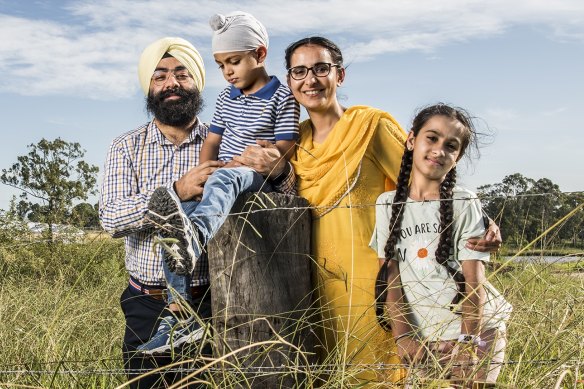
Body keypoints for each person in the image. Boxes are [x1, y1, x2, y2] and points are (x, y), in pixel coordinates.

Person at [285, 37, 502, 386]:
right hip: (319, 283)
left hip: (378, 277)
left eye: (321, 68)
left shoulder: (369, 127)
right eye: (300, 71)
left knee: (379, 371)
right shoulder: (294, 143)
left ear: (339, 76)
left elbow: (425, 176)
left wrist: (483, 218)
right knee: (333, 372)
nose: (311, 79)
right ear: (289, 81)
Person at [99, 36, 293, 388]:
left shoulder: (226, 141)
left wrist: (278, 168)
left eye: (181, 74)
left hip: (216, 300)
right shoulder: (125, 147)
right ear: (148, 86)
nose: (171, 83)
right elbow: (111, 217)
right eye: (159, 76)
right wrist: (175, 192)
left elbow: (279, 198)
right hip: (147, 303)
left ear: (197, 83)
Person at [137, 11, 299, 353]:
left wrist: (253, 159)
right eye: (221, 64)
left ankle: (195, 237)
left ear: (260, 54)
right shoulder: (226, 98)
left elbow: (285, 145)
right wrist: (204, 171)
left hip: (255, 176)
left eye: (234, 61)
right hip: (225, 171)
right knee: (177, 213)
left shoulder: (281, 97)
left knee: (226, 180)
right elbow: (212, 141)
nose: (227, 71)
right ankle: (180, 312)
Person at [371, 104, 512, 387]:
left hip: (475, 330)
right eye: (431, 138)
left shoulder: (463, 201)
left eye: (451, 146)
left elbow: (475, 284)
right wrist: (404, 338)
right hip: (424, 334)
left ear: (457, 157)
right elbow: (391, 280)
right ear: (411, 140)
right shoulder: (386, 204)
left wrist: (468, 344)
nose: (439, 150)